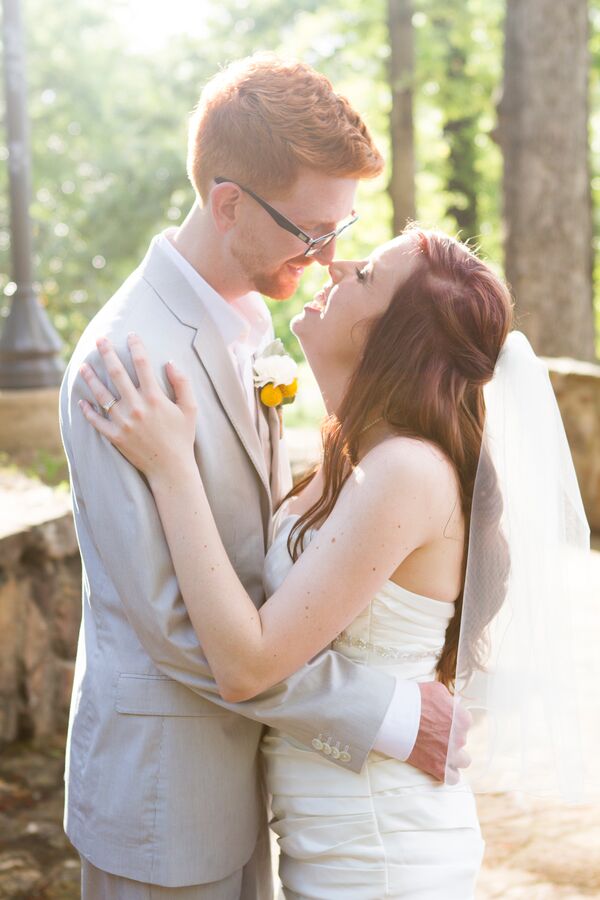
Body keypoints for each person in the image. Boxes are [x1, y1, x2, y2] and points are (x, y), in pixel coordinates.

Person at [60, 55, 470, 900]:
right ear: (229, 204)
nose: (325, 262)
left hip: (260, 788)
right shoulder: (128, 361)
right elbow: (179, 627)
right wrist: (388, 716)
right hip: (163, 803)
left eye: (341, 234)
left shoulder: (250, 315)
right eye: (311, 234)